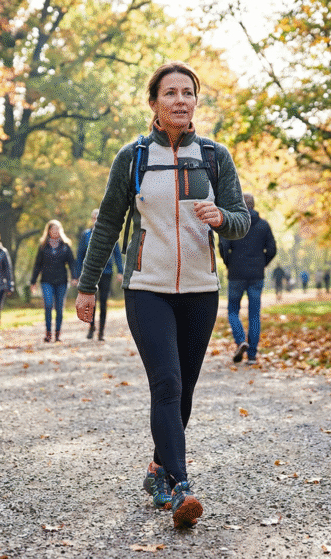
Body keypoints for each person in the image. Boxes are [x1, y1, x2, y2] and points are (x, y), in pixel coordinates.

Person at [73, 62, 250, 528]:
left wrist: (222, 219)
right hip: (146, 288)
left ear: (196, 102)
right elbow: (108, 224)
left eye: (187, 93)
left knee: (183, 391)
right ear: (153, 103)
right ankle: (181, 487)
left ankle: (158, 469)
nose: (179, 101)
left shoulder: (214, 156)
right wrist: (88, 285)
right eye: (169, 93)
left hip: (200, 290)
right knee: (167, 384)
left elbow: (241, 217)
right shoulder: (133, 158)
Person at [219, 193, 277, 365]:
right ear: (254, 205)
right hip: (256, 275)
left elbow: (223, 246)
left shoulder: (233, 225)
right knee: (254, 315)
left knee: (233, 311)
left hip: (236, 274)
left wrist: (230, 262)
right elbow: (272, 249)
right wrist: (262, 263)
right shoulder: (264, 225)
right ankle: (252, 355)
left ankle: (240, 340)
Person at [76, 209, 124, 341]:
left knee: (103, 301)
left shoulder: (110, 234)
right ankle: (91, 327)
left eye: (99, 218)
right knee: (92, 301)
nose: (96, 220)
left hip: (106, 272)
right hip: (91, 273)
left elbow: (117, 254)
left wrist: (120, 271)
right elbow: (80, 255)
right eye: (94, 218)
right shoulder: (86, 235)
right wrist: (78, 274)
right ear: (92, 219)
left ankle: (101, 331)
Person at [30, 220, 78, 342]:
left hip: (61, 280)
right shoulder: (43, 246)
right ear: (49, 231)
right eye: (53, 229)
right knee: (48, 305)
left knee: (59, 308)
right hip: (46, 280)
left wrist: (74, 277)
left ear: (60, 230)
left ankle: (57, 333)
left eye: (57, 229)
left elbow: (72, 263)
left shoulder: (65, 246)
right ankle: (48, 333)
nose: (55, 232)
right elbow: (37, 265)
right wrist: (33, 281)